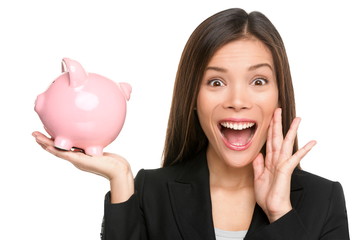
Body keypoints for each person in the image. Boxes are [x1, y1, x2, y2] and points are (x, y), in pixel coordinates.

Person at [33, 8, 350, 240]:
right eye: (215, 82)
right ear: (193, 98)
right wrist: (121, 180)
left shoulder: (324, 199)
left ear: (279, 94)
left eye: (258, 80)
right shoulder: (149, 192)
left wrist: (281, 213)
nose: (237, 100)